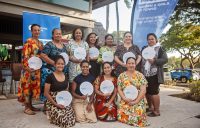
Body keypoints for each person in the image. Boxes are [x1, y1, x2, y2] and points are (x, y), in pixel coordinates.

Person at [18, 24, 43, 115]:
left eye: (38, 30)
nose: (37, 32)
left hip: (36, 70)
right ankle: (26, 107)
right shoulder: (28, 41)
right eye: (35, 30)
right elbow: (25, 56)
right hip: (28, 70)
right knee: (27, 88)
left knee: (33, 88)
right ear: (31, 31)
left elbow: (41, 56)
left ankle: (31, 105)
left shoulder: (40, 43)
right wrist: (27, 68)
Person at [44, 55, 75, 127]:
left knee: (72, 119)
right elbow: (46, 93)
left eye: (62, 64)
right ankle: (50, 113)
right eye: (58, 63)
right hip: (53, 101)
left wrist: (67, 101)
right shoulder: (50, 77)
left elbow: (66, 91)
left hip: (63, 100)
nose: (60, 65)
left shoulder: (65, 76)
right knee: (63, 121)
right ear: (54, 64)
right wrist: (56, 104)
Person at [117, 57, 149, 127]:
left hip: (139, 100)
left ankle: (135, 118)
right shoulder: (121, 76)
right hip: (126, 99)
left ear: (135, 64)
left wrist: (136, 101)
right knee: (121, 114)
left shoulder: (140, 75)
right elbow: (119, 89)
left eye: (133, 63)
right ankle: (130, 118)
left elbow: (143, 90)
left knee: (138, 115)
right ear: (126, 64)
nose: (131, 65)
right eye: (129, 63)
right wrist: (124, 98)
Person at [141, 33, 168, 117]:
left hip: (155, 74)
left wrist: (155, 61)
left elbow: (165, 59)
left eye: (152, 39)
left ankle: (156, 111)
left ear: (156, 39)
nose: (150, 40)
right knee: (147, 92)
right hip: (145, 74)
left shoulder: (160, 48)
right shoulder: (144, 48)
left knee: (154, 92)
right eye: (149, 39)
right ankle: (150, 107)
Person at [40, 28, 68, 101]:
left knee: (59, 88)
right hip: (49, 71)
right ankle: (46, 106)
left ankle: (59, 101)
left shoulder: (64, 46)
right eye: (56, 34)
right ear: (53, 35)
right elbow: (43, 55)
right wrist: (54, 63)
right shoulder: (49, 44)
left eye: (59, 34)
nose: (58, 35)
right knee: (48, 89)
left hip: (60, 71)